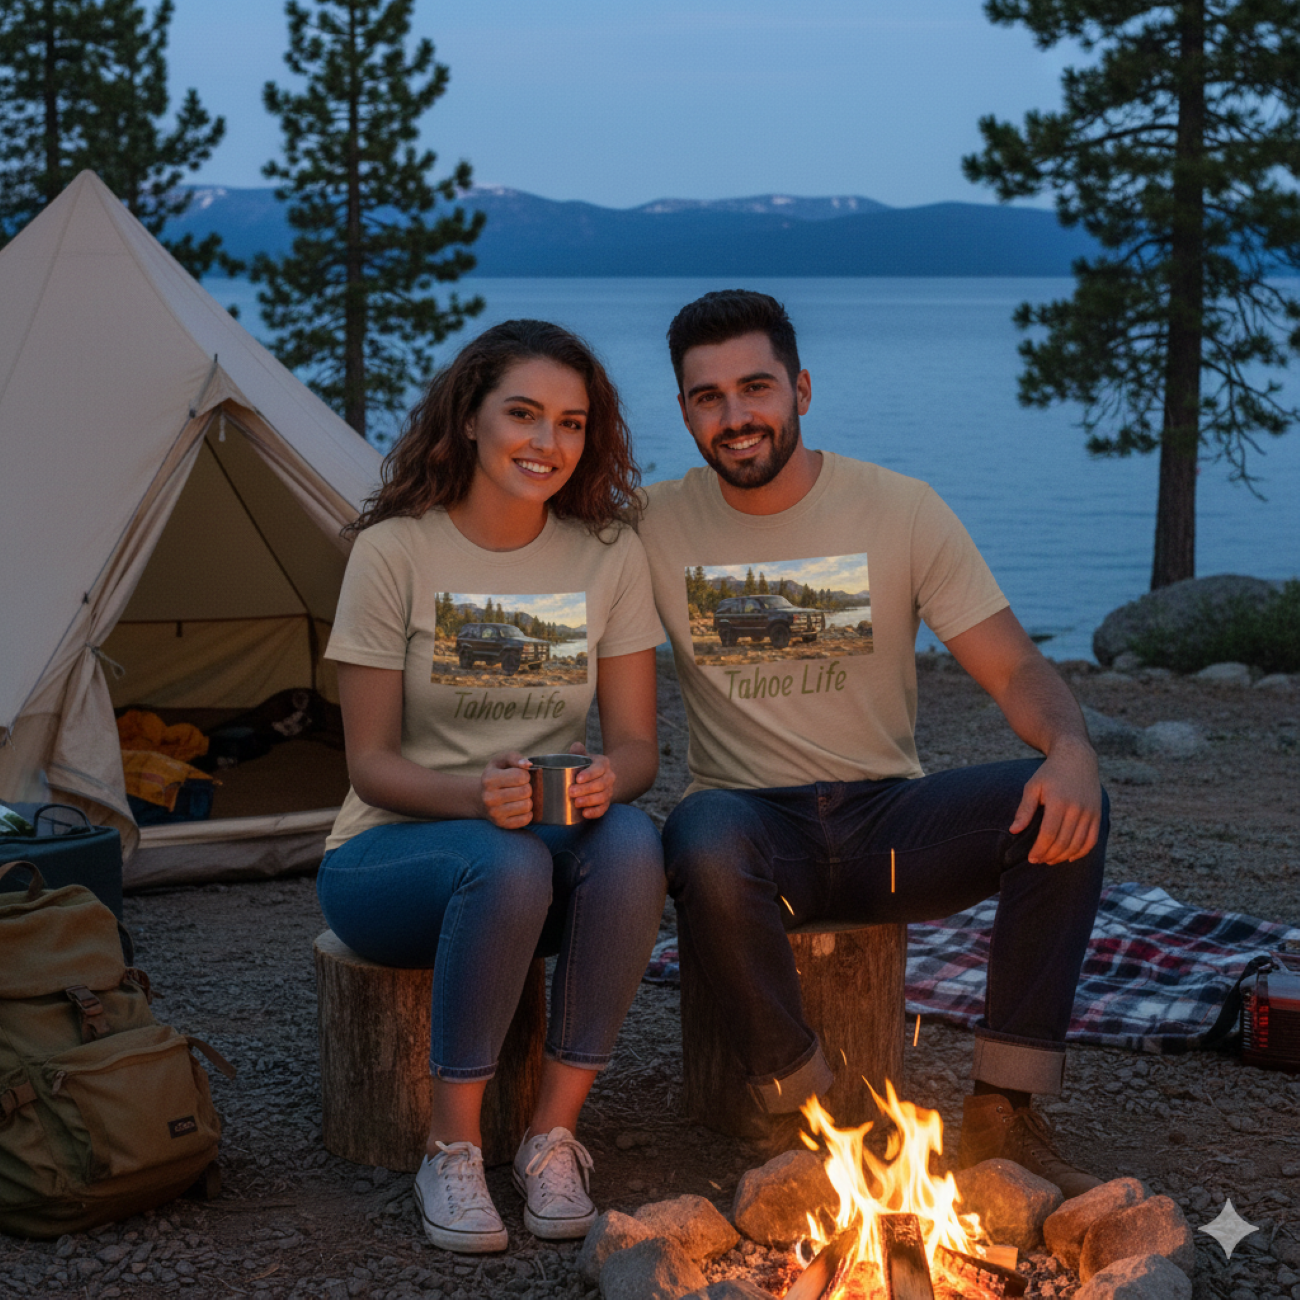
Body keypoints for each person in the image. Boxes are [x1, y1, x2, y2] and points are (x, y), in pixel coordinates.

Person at [638, 290, 1108, 1198]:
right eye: (708, 397)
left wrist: (1072, 748)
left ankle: (1004, 1113)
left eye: (756, 387)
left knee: (1061, 802)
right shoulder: (652, 524)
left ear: (802, 389)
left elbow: (1014, 669)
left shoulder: (900, 509)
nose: (736, 417)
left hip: (890, 819)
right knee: (697, 834)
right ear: (687, 410)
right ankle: (804, 1120)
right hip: (753, 829)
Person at [317, 320, 667, 1253]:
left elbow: (638, 747)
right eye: (523, 414)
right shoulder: (395, 551)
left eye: (571, 422)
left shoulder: (607, 554)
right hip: (390, 858)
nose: (547, 443)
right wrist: (478, 797)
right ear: (468, 417)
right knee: (504, 861)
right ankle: (453, 1148)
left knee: (634, 839)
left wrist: (603, 780)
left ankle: (552, 1136)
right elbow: (369, 764)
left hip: (538, 848)